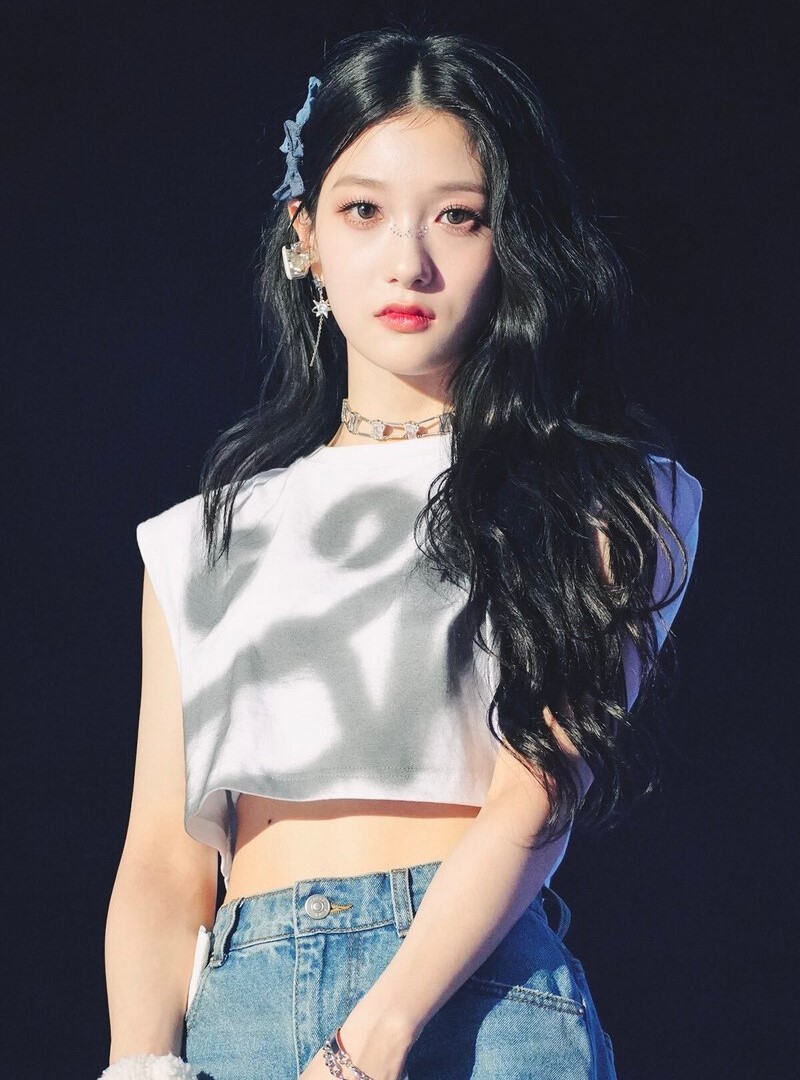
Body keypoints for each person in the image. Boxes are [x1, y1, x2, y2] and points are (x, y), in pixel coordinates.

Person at [102, 26, 703, 1080]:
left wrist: (370, 1039)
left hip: (481, 1007)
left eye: (458, 216)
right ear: (304, 235)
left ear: (510, 240)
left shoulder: (598, 499)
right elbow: (163, 857)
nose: (407, 261)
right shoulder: (203, 536)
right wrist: (139, 1064)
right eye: (363, 210)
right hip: (244, 1014)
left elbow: (537, 791)